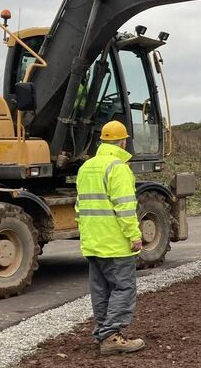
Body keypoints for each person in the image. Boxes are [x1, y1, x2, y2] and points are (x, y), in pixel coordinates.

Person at [76, 120, 145, 355]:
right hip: (116, 244)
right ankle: (110, 336)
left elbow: (79, 206)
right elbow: (125, 207)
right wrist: (134, 235)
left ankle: (104, 332)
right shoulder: (118, 168)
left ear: (102, 141)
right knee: (123, 288)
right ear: (123, 141)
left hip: (93, 243)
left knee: (101, 291)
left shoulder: (87, 167)